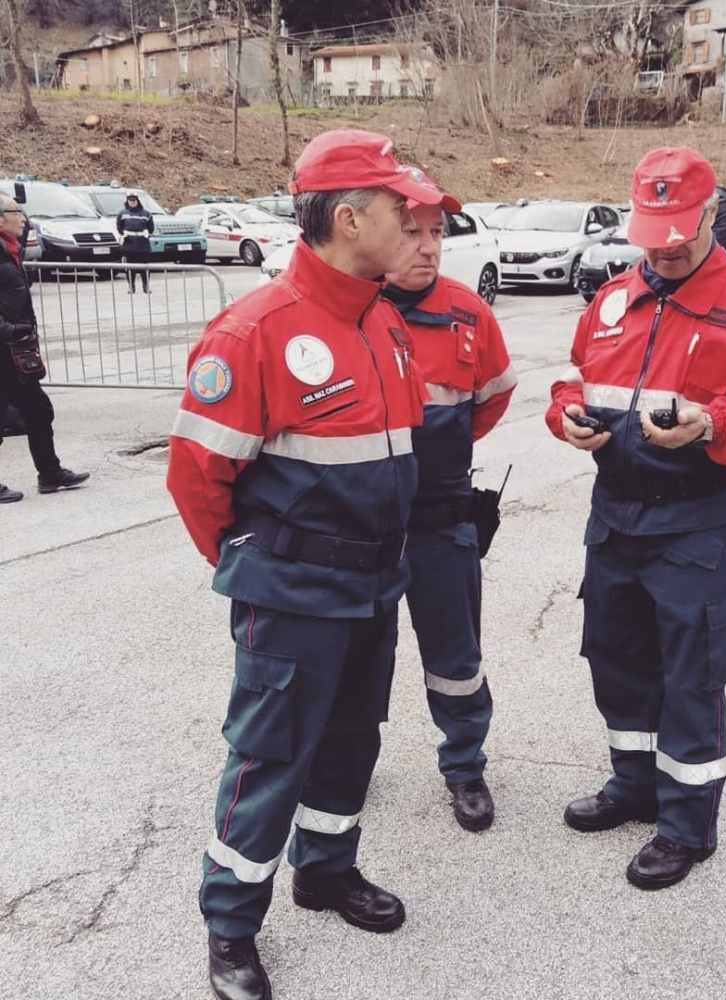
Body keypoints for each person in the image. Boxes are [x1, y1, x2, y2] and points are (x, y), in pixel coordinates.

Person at [166, 129, 445, 1000]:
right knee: (268, 757)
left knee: (352, 741)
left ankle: (325, 872)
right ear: (350, 216)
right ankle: (231, 926)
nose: (415, 220)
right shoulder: (257, 329)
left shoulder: (384, 318)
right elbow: (198, 477)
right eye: (402, 208)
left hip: (373, 583)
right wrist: (257, 562)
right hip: (292, 591)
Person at [546, 147, 726, 891]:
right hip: (614, 520)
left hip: (693, 523)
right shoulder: (610, 301)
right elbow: (572, 379)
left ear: (708, 214)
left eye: (679, 230)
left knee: (691, 673)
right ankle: (633, 786)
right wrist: (563, 416)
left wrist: (711, 425)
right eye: (650, 229)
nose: (663, 246)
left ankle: (688, 824)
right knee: (616, 654)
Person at [382, 179, 517, 833]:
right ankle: (338, 762)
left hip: (442, 518)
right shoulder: (349, 312)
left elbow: (492, 396)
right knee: (351, 656)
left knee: (456, 656)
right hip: (362, 526)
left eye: (437, 232)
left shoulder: (470, 313)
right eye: (412, 232)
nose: (428, 246)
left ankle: (464, 765)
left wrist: (442, 455)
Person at [0, 194, 89, 503]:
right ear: (0, 219)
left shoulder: (12, 250)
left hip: (16, 351)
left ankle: (50, 473)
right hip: (4, 348)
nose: (24, 218)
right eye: (17, 212)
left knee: (38, 411)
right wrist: (10, 330)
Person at [116, 191, 155, 294]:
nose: (132, 202)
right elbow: (119, 227)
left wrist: (146, 233)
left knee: (144, 267)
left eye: (134, 200)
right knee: (130, 267)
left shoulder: (146, 213)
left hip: (142, 243)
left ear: (137, 200)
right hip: (129, 243)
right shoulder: (122, 213)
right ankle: (131, 287)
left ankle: (146, 286)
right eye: (130, 200)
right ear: (127, 201)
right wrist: (124, 235)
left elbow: (151, 228)